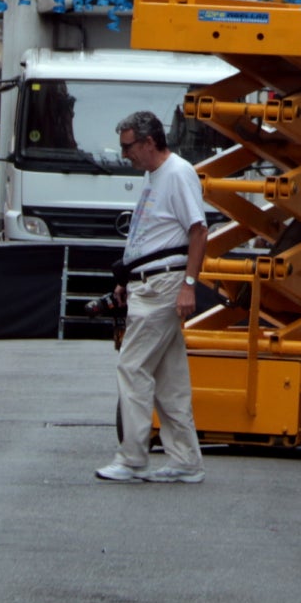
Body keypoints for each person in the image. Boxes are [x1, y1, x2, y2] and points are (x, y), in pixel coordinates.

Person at [97, 109, 208, 485]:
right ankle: (185, 460)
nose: (124, 154)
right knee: (168, 378)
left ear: (148, 142)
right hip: (153, 281)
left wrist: (189, 284)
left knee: (133, 368)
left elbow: (198, 230)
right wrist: (126, 278)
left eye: (128, 146)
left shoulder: (177, 173)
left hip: (162, 285)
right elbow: (151, 234)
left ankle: (132, 458)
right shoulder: (156, 175)